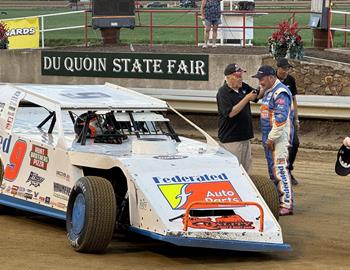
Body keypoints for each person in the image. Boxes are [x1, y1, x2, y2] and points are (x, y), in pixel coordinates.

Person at [252, 65, 294, 216]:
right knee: (272, 171)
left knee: (280, 170)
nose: (260, 82)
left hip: (278, 139)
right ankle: (277, 202)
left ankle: (287, 204)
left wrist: (270, 138)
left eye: (261, 79)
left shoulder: (280, 92)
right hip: (269, 137)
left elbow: (281, 119)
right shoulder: (269, 90)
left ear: (271, 77)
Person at [216, 63, 258, 173]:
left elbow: (256, 96)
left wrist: (265, 87)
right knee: (234, 170)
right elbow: (231, 113)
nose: (240, 79)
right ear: (228, 77)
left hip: (245, 136)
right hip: (231, 139)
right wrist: (247, 98)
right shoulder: (223, 92)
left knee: (246, 170)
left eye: (241, 75)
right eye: (237, 76)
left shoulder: (243, 87)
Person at [276, 58, 300, 185]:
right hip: (276, 120)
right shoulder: (271, 79)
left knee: (295, 143)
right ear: (278, 68)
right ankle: (278, 173)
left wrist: (296, 118)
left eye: (288, 69)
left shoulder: (291, 80)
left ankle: (288, 170)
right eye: (284, 68)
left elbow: (294, 101)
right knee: (279, 147)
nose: (286, 71)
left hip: (289, 120)